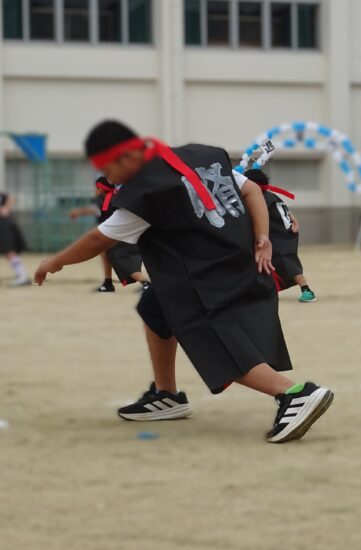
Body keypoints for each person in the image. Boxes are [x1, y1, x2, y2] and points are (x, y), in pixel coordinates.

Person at [34, 120, 333, 443]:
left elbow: (98, 240)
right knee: (154, 307)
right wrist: (263, 237)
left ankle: (295, 393)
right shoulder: (199, 156)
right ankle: (167, 395)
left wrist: (55, 261)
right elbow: (250, 190)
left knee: (212, 345)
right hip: (236, 262)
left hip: (204, 279)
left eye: (107, 170)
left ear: (126, 157)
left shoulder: (147, 192)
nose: (109, 179)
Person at [243, 169, 316, 302]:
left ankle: (306, 290)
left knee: (287, 261)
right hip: (286, 231)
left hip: (280, 234)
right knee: (270, 262)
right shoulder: (272, 196)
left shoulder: (259, 198)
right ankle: (267, 290)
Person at [69, 177, 149, 291]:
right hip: (121, 235)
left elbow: (93, 210)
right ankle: (108, 283)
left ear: (101, 188)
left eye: (97, 188)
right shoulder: (117, 196)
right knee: (105, 253)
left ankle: (146, 284)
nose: (95, 191)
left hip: (118, 236)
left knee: (123, 262)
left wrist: (78, 212)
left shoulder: (107, 199)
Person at [0, 189, 31, 287]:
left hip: (4, 224)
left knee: (9, 251)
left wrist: (6, 208)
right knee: (8, 252)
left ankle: (22, 276)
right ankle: (21, 275)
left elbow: (10, 198)